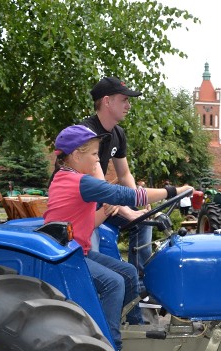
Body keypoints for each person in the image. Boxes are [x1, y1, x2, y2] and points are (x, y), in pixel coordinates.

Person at [44, 125, 192, 351]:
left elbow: (84, 226)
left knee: (126, 271)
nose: (97, 161)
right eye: (93, 155)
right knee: (113, 282)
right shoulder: (77, 181)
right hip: (65, 256)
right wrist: (174, 190)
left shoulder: (69, 179)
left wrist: (108, 212)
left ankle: (133, 328)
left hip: (76, 248)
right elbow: (128, 194)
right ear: (76, 155)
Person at [80, 76, 151, 324]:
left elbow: (124, 174)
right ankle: (96, 319)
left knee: (145, 222)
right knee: (103, 265)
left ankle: (141, 287)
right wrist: (128, 212)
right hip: (82, 208)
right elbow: (100, 188)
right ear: (107, 102)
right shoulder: (87, 134)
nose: (128, 105)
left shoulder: (118, 133)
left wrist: (138, 205)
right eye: (124, 100)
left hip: (103, 202)